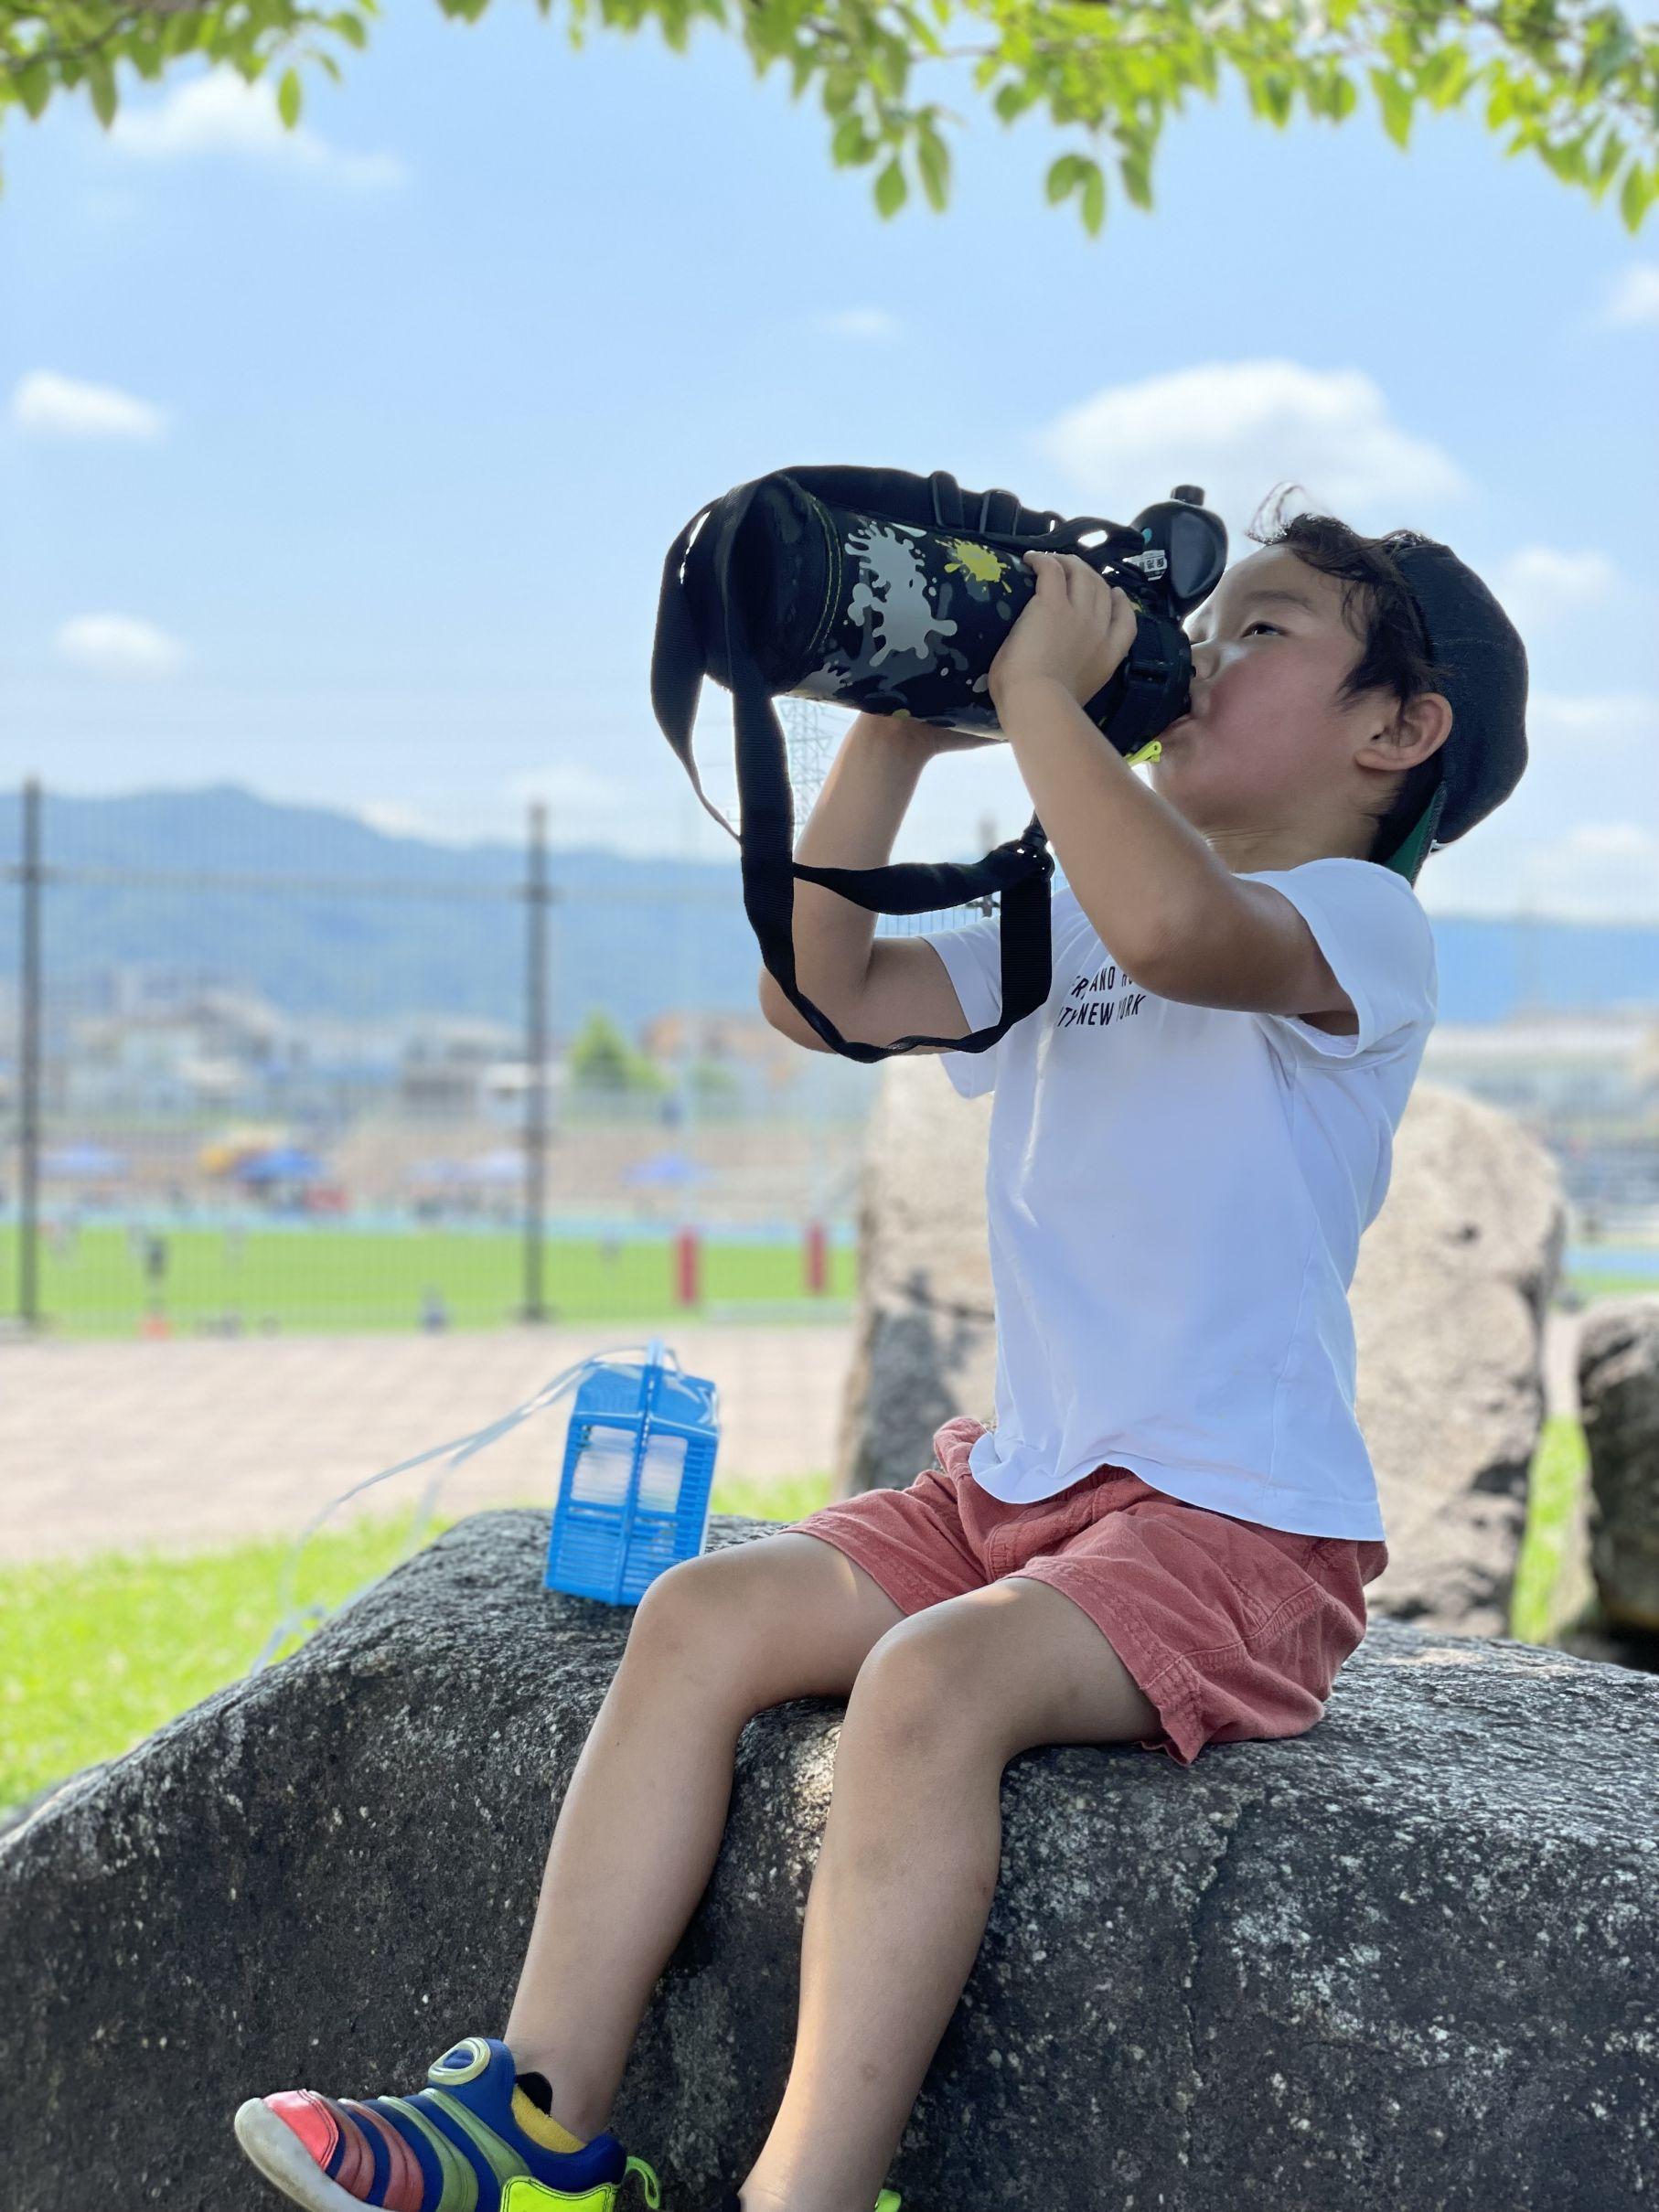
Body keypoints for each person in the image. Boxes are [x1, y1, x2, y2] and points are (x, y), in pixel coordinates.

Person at [231, 485, 1529, 2212]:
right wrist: (904, 742)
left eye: (1256, 634)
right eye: (1199, 633)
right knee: (700, 1614)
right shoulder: (1076, 909)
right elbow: (819, 989)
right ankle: (530, 2125)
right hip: (1016, 1491)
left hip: (1235, 1524)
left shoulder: (1358, 925)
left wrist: (1046, 699)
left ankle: (804, 2196)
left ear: (1395, 731)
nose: (1194, 663)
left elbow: (1174, 932)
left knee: (928, 1687)